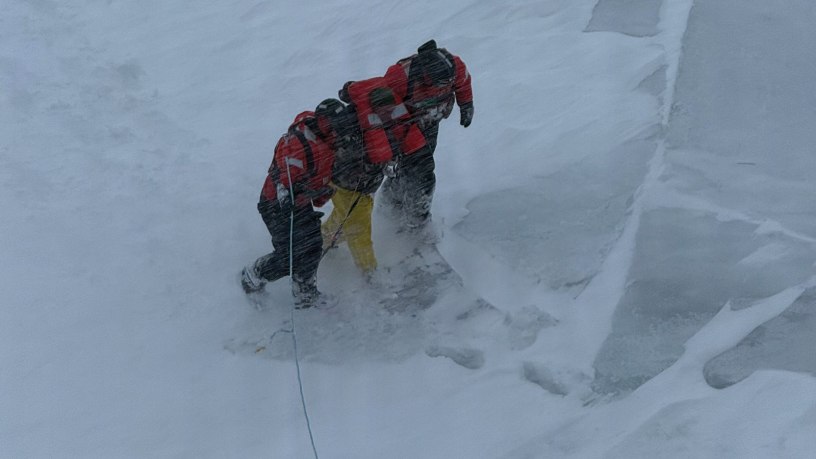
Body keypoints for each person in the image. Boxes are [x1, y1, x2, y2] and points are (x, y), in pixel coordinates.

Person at [361, 39, 474, 231]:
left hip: (430, 123)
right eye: (439, 83)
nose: (444, 86)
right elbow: (385, 111)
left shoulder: (455, 66)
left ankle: (395, 208)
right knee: (422, 172)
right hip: (404, 129)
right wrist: (392, 144)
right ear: (425, 75)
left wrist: (466, 105)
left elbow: (463, 84)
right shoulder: (399, 77)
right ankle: (414, 220)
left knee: (415, 169)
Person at [321, 80, 426, 277]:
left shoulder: (385, 124)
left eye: (391, 108)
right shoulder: (355, 125)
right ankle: (369, 273)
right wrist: (372, 161)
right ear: (374, 107)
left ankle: (322, 240)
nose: (389, 113)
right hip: (347, 185)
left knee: (346, 217)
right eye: (384, 109)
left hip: (362, 187)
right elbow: (347, 153)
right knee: (359, 229)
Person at [241, 107, 336, 308]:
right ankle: (253, 275)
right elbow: (285, 177)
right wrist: (288, 196)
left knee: (312, 247)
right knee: (290, 256)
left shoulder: (328, 146)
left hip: (301, 205)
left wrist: (321, 192)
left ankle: (305, 292)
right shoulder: (297, 144)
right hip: (275, 205)